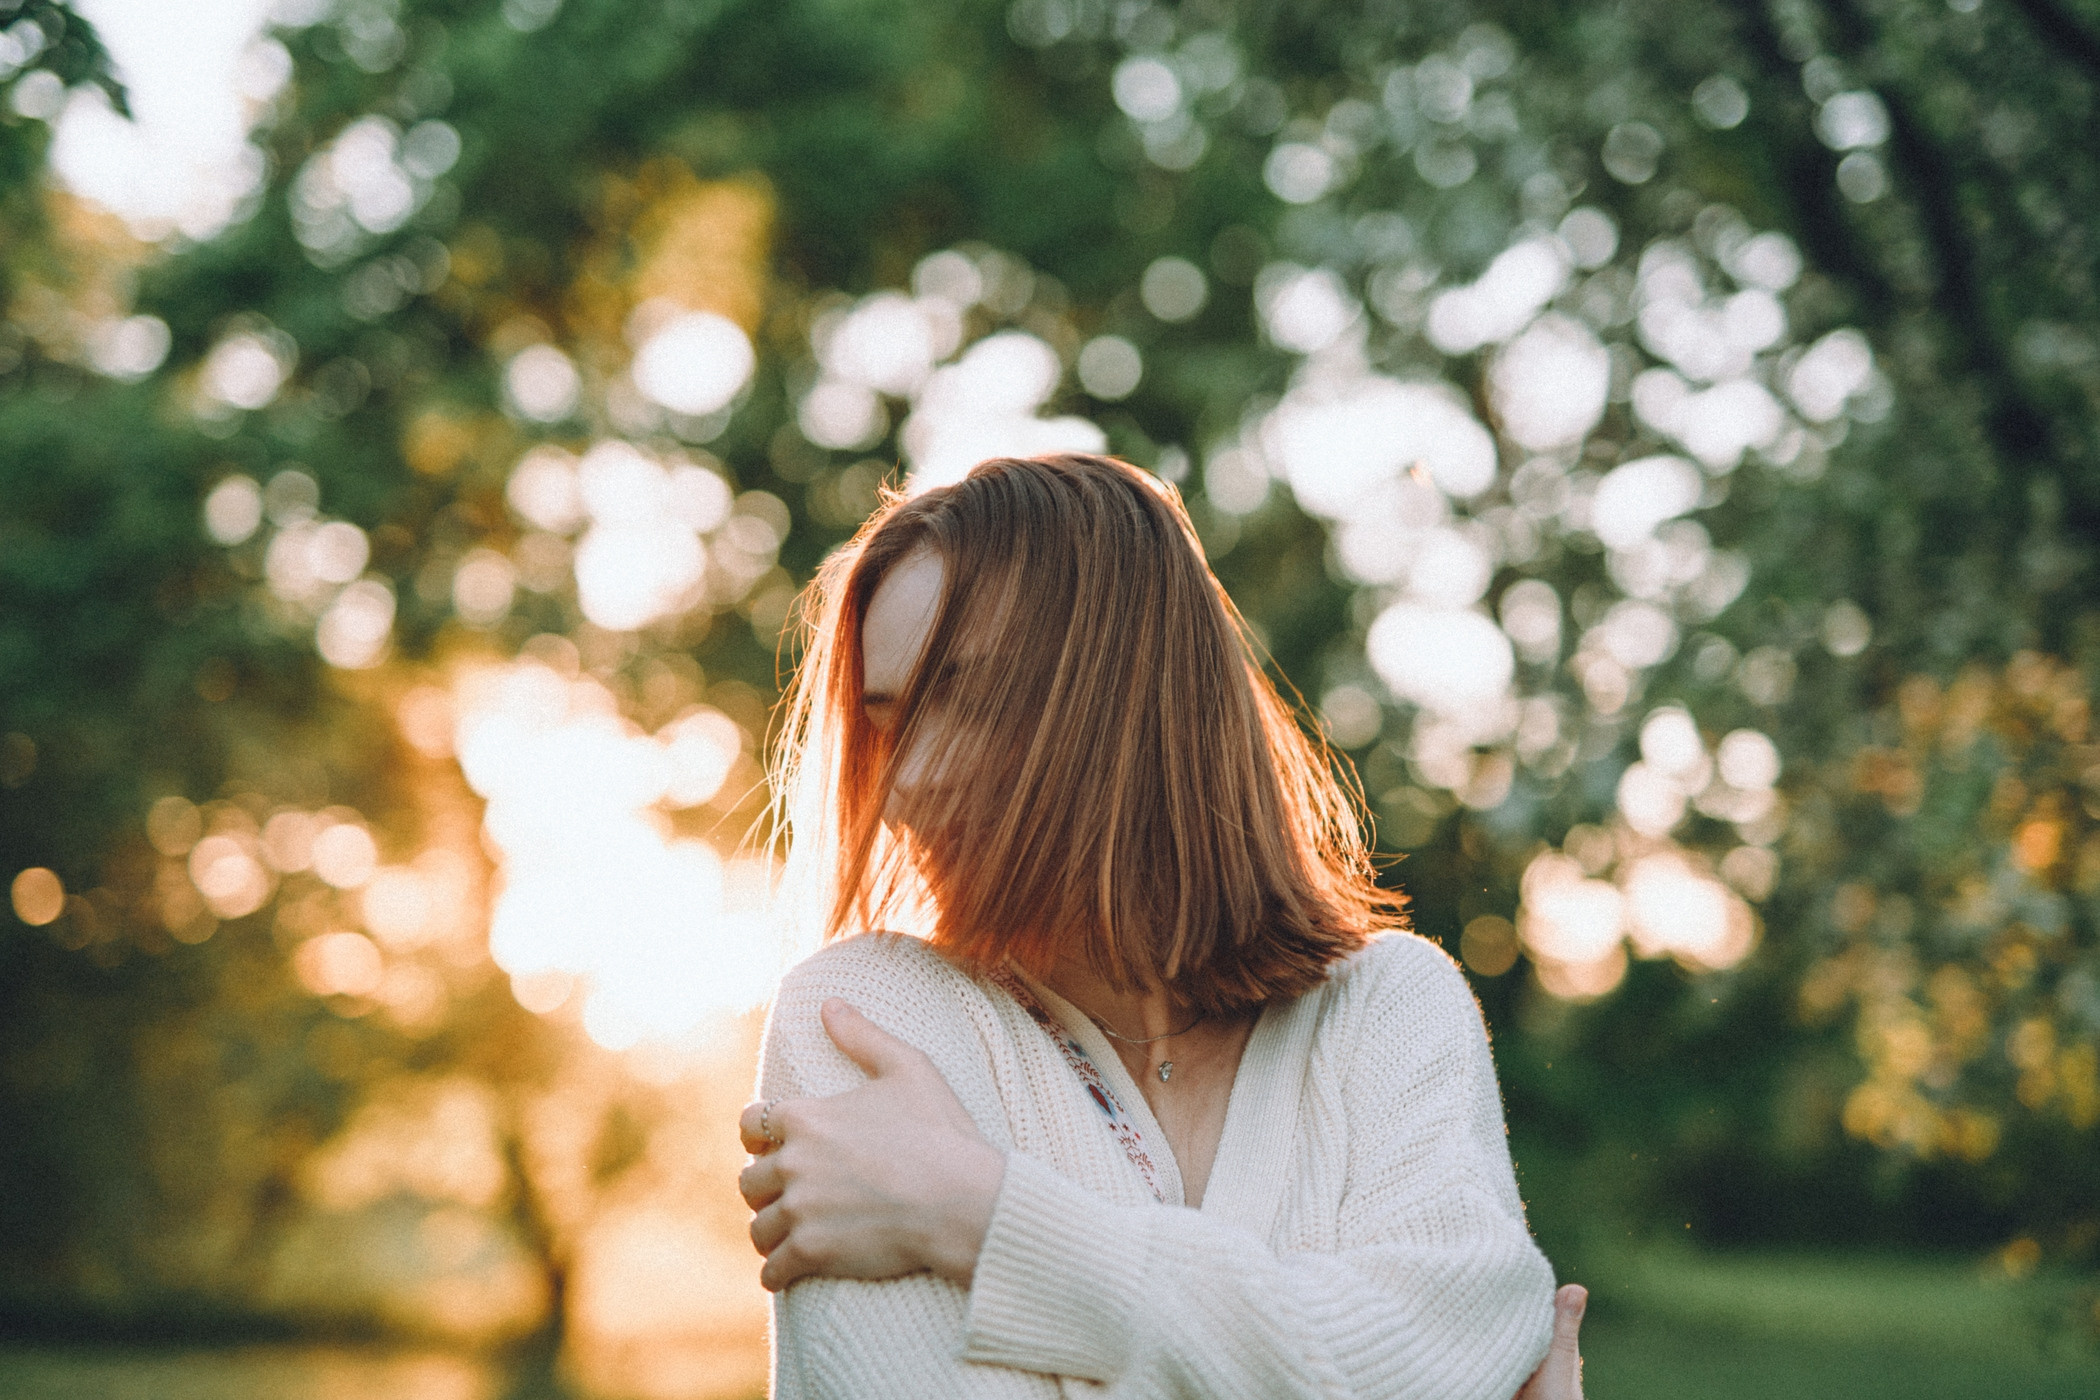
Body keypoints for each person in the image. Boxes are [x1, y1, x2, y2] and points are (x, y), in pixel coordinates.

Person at [737, 453, 1584, 1398]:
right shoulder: (864, 1019)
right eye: (890, 722)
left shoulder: (1391, 1007)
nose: (910, 780)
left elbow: (1450, 1342)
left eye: (971, 699)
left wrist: (981, 1217)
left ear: (1133, 701)